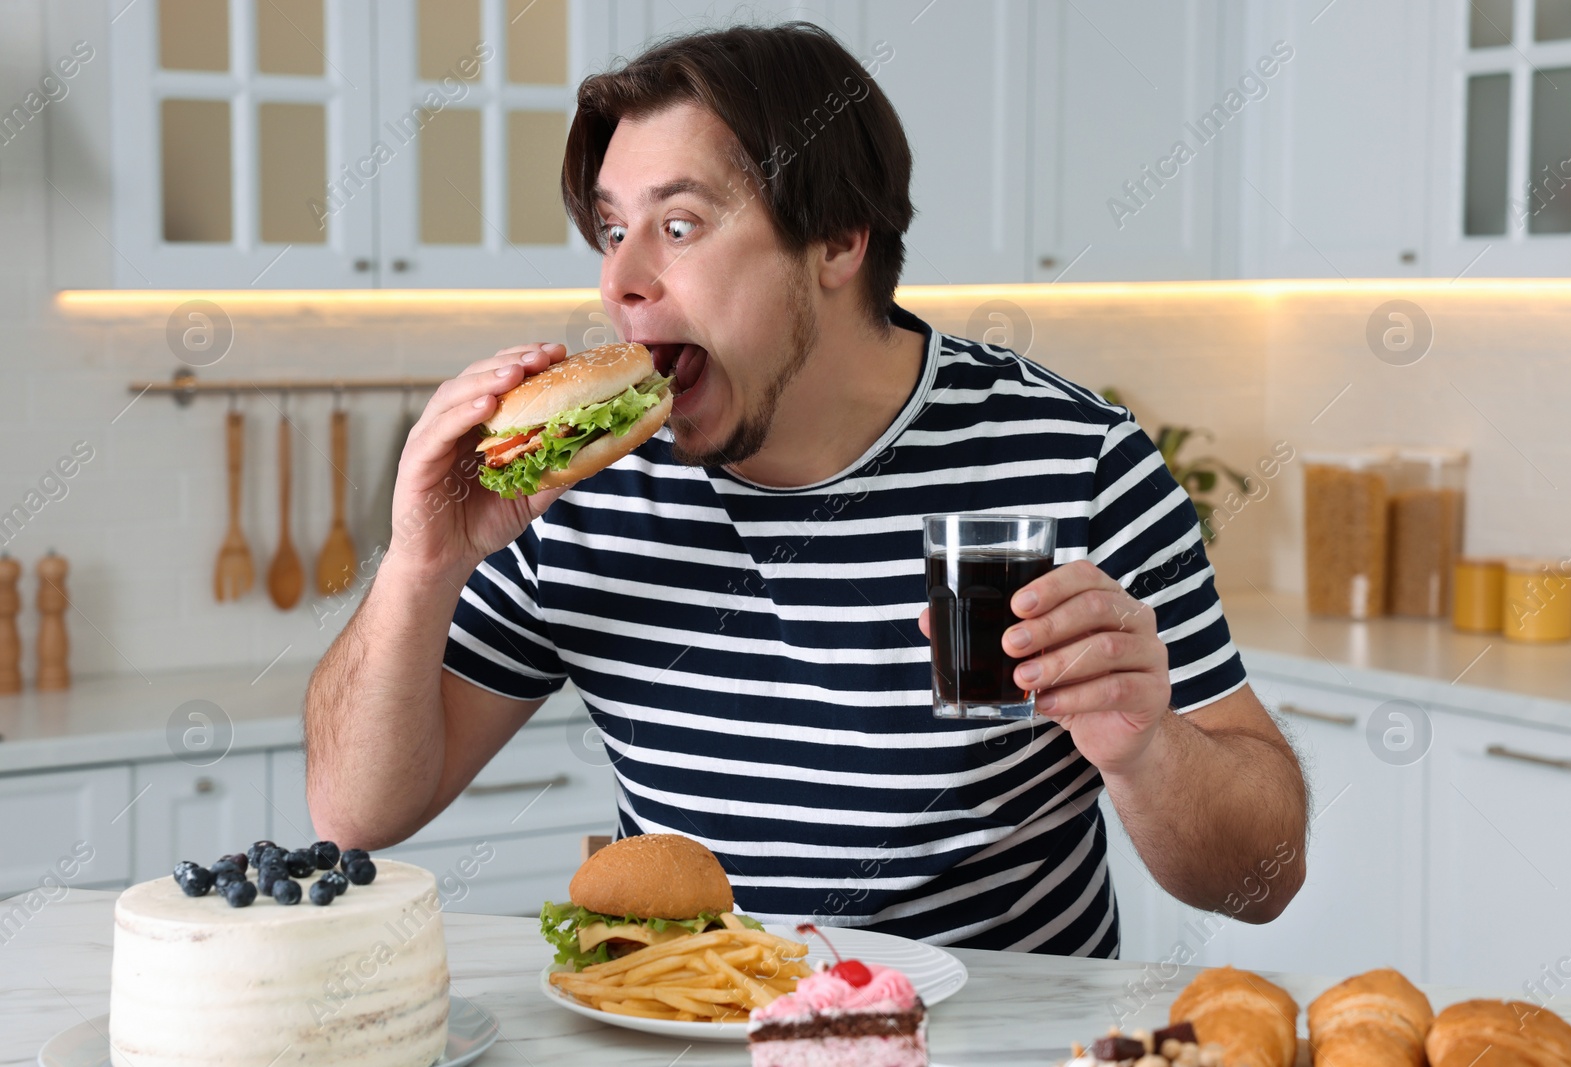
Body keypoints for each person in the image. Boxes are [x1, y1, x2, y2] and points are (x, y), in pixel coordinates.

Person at [306, 22, 1306, 955]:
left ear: (836, 240)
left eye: (681, 225)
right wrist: (422, 561)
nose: (621, 281)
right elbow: (357, 812)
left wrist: (1145, 748)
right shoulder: (577, 486)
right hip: (687, 1028)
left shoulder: (1069, 460)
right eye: (612, 231)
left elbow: (1262, 877)